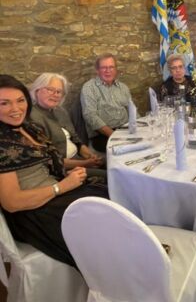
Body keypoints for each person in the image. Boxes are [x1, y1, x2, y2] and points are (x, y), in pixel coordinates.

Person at [0, 75, 108, 267]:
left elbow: (51, 159)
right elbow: (12, 203)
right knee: (101, 221)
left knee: (113, 194)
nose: (16, 109)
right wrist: (62, 187)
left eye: (20, 100)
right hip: (34, 212)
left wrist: (79, 169)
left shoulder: (27, 127)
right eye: (4, 103)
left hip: (55, 192)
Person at [29, 73, 104, 170]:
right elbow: (49, 160)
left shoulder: (60, 111)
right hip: (60, 168)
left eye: (59, 92)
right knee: (108, 175)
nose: (55, 94)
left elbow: (76, 140)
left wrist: (91, 156)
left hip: (77, 159)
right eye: (50, 89)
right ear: (37, 90)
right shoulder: (32, 118)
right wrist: (85, 163)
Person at [81, 53, 132, 153]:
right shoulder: (89, 88)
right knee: (126, 150)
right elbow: (90, 116)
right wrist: (113, 135)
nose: (108, 71)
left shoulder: (123, 87)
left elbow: (132, 110)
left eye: (111, 67)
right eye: (104, 67)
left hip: (126, 130)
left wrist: (139, 127)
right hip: (103, 135)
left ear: (116, 69)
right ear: (97, 70)